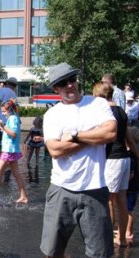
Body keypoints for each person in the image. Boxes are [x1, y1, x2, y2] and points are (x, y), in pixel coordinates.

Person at [40, 63, 117, 258]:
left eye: (72, 80)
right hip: (61, 188)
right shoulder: (52, 114)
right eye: (63, 83)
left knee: (100, 253)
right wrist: (93, 138)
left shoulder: (98, 104)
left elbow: (110, 132)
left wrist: (74, 136)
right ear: (55, 88)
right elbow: (55, 150)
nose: (69, 85)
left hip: (95, 189)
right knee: (52, 251)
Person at [93, 82, 139, 248]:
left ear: (99, 96)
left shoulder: (106, 112)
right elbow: (130, 140)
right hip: (125, 159)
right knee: (122, 200)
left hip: (112, 159)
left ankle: (107, 239)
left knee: (110, 201)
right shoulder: (121, 111)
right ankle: (120, 238)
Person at [0, 99, 28, 204]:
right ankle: (23, 196)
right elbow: (10, 132)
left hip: (9, 150)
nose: (2, 114)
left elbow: (14, 134)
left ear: (10, 110)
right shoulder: (12, 118)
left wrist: (3, 126)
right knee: (16, 174)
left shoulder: (13, 119)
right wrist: (3, 129)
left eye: (4, 111)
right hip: (10, 149)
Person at [0, 77, 18, 149]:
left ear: (7, 83)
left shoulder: (2, 90)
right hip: (9, 122)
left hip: (0, 121)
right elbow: (16, 109)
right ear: (15, 86)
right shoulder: (14, 95)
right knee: (7, 144)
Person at [126, 126, 139, 242]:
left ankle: (128, 231)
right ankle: (126, 229)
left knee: (128, 210)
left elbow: (131, 175)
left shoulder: (131, 156)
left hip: (130, 188)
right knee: (128, 209)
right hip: (134, 188)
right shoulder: (135, 155)